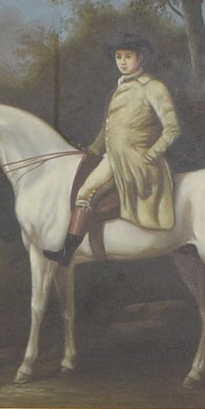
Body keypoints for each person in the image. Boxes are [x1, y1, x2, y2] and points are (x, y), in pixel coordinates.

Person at [44, 33, 181, 265]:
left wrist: (151, 155)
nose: (122, 62)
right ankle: (68, 252)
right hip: (113, 158)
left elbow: (172, 129)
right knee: (83, 193)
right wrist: (93, 151)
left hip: (140, 161)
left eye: (128, 56)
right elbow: (109, 129)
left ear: (140, 58)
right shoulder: (118, 88)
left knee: (92, 194)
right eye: (119, 57)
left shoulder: (153, 87)